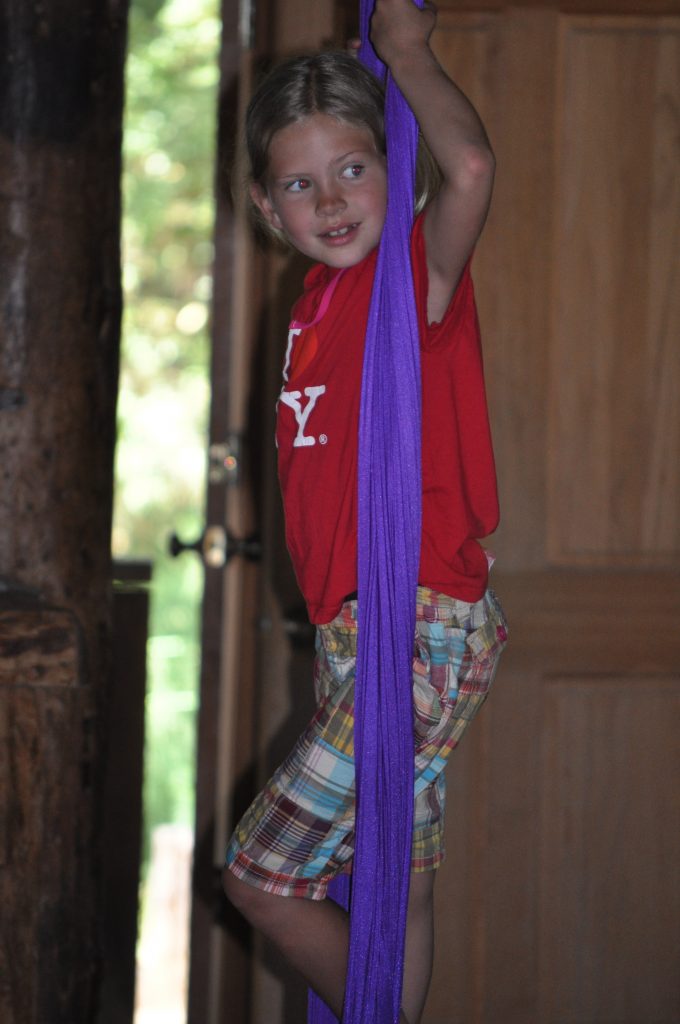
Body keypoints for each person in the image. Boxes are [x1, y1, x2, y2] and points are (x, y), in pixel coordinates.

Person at [223, 2, 508, 1021]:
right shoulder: (306, 310)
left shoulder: (411, 282)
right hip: (362, 630)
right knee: (402, 879)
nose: (329, 199)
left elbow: (469, 168)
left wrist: (406, 56)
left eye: (352, 168)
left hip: (417, 619)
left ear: (394, 170)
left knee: (260, 876)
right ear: (267, 208)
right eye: (299, 184)